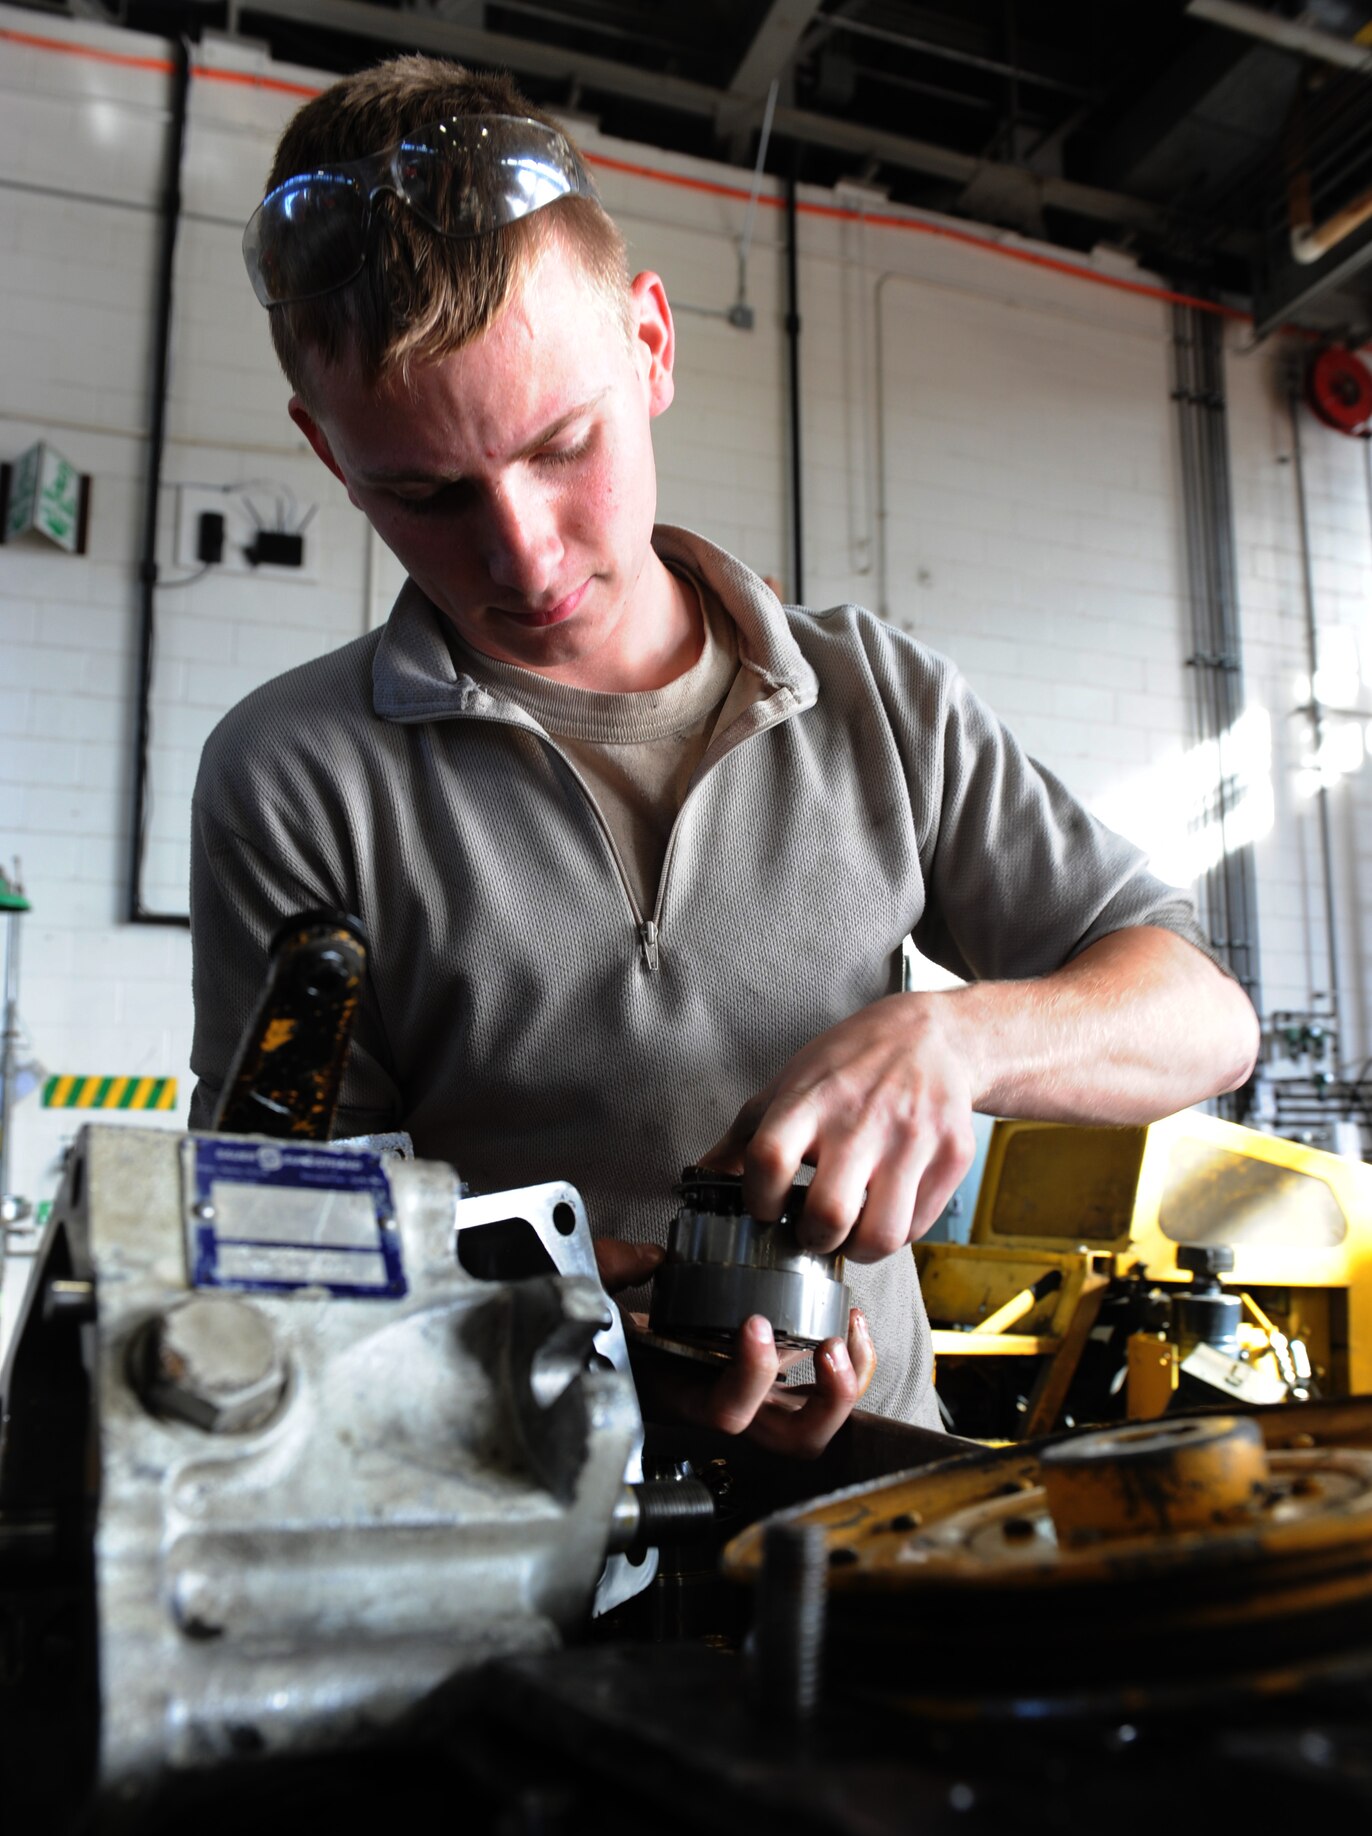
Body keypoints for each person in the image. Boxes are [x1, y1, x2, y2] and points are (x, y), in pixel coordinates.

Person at [189, 56, 1259, 1453]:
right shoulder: (294, 775)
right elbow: (277, 1241)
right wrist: (555, 1319)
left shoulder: (878, 698)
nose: (522, 551)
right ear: (327, 455)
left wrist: (957, 1036)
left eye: (564, 445)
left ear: (651, 346)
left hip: (875, 1498)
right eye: (426, 494)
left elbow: (1203, 1019)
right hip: (512, 1526)